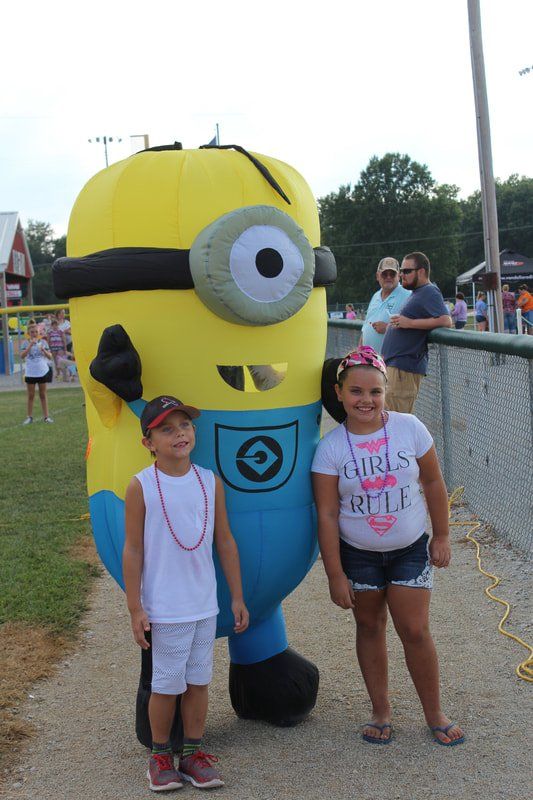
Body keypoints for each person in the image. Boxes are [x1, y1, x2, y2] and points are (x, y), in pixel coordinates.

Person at [312, 346, 464, 747]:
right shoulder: (330, 448)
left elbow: (433, 482)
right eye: (356, 391)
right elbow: (327, 513)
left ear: (386, 391)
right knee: (369, 625)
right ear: (339, 393)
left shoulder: (409, 428)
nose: (366, 400)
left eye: (375, 391)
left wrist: (442, 535)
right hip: (358, 554)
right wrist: (334, 574)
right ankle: (381, 711)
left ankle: (434, 712)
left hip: (409, 549)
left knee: (414, 628)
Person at [123, 395, 249, 792]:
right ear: (148, 442)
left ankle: (193, 753)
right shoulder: (141, 486)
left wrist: (237, 596)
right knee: (165, 684)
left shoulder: (210, 481)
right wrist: (135, 607)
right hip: (166, 607)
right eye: (166, 429)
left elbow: (224, 540)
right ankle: (160, 757)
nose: (179, 433)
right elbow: (133, 549)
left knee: (198, 681)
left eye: (184, 425)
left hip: (203, 604)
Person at [381, 252, 452, 413]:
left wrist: (409, 323)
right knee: (390, 419)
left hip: (403, 369)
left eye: (406, 271)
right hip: (396, 367)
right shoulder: (417, 293)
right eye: (401, 271)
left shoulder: (429, 291)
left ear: (421, 271)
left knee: (396, 421)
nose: (401, 275)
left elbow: (446, 320)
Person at [361, 257, 411, 354]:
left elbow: (415, 327)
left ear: (399, 276)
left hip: (393, 360)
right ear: (377, 276)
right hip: (371, 359)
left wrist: (387, 328)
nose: (388, 277)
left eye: (392, 274)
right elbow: (365, 328)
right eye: (384, 274)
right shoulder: (375, 296)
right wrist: (360, 351)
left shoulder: (407, 295)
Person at [20, 322, 54, 424]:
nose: (34, 334)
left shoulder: (43, 342)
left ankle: (46, 417)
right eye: (32, 332)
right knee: (31, 395)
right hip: (30, 372)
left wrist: (43, 350)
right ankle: (29, 417)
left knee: (43, 394)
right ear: (28, 333)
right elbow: (22, 356)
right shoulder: (25, 343)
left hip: (42, 371)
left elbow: (50, 356)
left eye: (36, 332)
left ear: (38, 332)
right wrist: (30, 345)